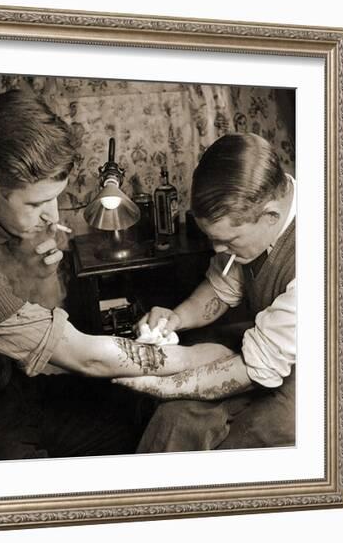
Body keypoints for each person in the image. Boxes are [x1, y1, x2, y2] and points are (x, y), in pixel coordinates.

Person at [0, 89, 233, 461]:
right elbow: (86, 356)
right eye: (38, 203)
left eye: (54, 198)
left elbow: (42, 315)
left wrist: (41, 273)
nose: (53, 216)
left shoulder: (4, 218)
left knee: (137, 415)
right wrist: (197, 358)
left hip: (19, 386)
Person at [116, 133, 296, 451]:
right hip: (266, 349)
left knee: (241, 443)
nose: (217, 249)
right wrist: (177, 318)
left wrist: (166, 385)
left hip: (324, 378)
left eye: (229, 240)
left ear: (271, 216)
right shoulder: (249, 218)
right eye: (213, 238)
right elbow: (221, 285)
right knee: (176, 418)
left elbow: (254, 369)